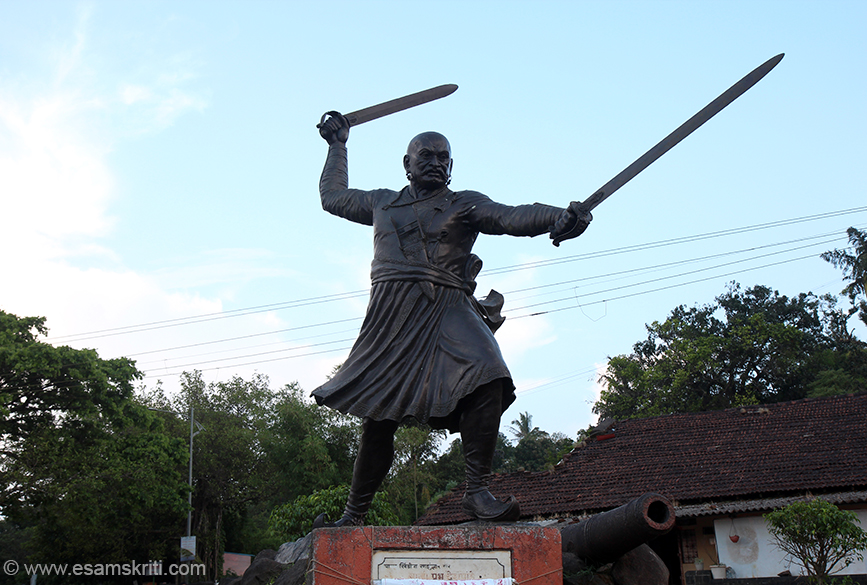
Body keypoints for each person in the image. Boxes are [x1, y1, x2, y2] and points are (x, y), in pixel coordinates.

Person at [312, 112, 591, 525]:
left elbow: (510, 215)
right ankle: (354, 514)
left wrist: (557, 217)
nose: (436, 162)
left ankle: (476, 490)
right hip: (392, 315)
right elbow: (333, 197)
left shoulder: (464, 203)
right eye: (425, 155)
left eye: (444, 157)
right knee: (379, 418)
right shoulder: (381, 202)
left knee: (490, 373)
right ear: (406, 164)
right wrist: (337, 146)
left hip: (448, 308)